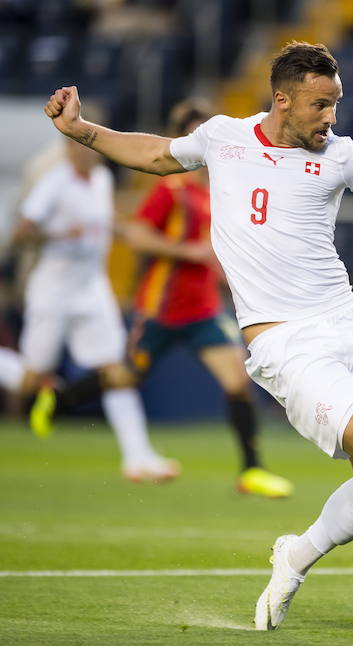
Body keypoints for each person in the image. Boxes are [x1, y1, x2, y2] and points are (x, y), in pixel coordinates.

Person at [43, 41, 353, 631]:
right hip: (284, 345)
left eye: (337, 104)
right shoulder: (223, 137)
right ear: (282, 99)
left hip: (348, 325)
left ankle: (295, 554)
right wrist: (81, 130)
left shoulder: (343, 156)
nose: (332, 117)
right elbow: (154, 155)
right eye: (320, 105)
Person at [33, 99, 294, 499]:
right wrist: (187, 252)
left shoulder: (217, 192)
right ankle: (60, 397)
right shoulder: (170, 189)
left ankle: (251, 470)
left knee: (238, 380)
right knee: (124, 376)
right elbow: (137, 235)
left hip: (202, 310)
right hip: (161, 309)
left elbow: (214, 253)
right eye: (194, 131)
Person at [0, 132, 178, 483]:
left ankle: (138, 458)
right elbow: (21, 234)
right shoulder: (54, 183)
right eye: (82, 145)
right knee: (31, 380)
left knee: (115, 369)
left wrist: (128, 231)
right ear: (68, 148)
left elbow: (105, 218)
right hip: (54, 288)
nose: (91, 153)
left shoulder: (101, 178)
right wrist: (60, 235)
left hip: (92, 287)